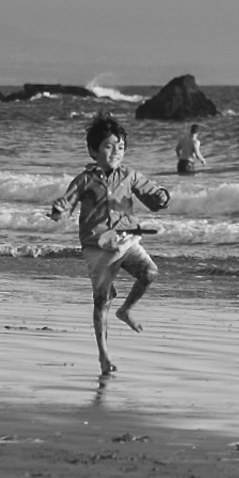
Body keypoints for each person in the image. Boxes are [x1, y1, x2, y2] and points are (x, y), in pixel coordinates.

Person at [49, 111, 170, 376]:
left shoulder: (129, 175)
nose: (116, 151)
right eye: (108, 146)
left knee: (150, 273)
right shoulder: (84, 180)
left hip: (126, 239)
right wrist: (58, 210)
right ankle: (104, 356)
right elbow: (65, 206)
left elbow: (152, 195)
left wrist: (161, 197)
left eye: (121, 147)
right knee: (102, 300)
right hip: (97, 246)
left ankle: (126, 311)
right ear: (93, 150)